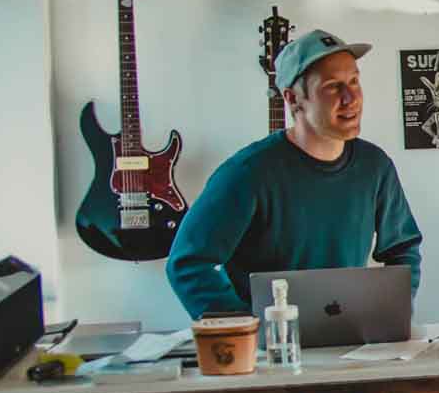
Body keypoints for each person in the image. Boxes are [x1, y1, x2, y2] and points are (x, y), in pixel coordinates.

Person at [166, 29, 423, 320]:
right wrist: (243, 329)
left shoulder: (375, 166)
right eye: (332, 87)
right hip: (274, 353)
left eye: (354, 81)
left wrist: (389, 315)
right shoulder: (248, 173)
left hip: (350, 344)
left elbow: (403, 249)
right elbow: (187, 263)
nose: (350, 97)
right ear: (293, 99)